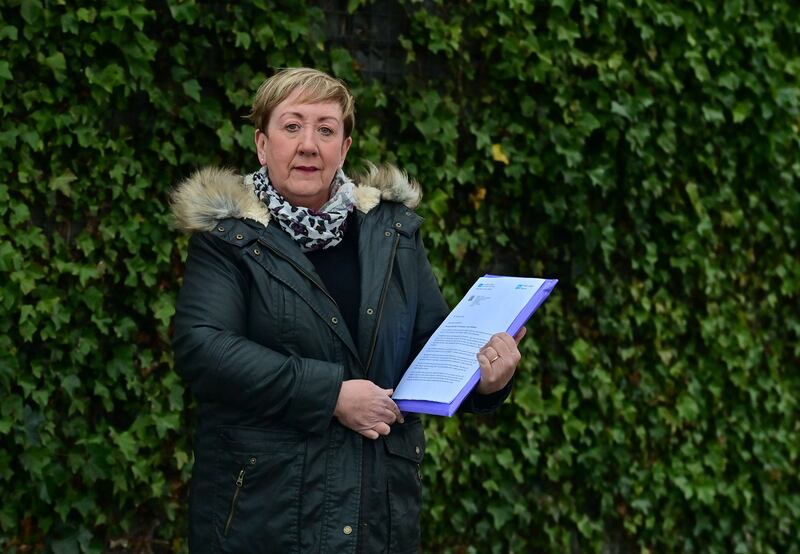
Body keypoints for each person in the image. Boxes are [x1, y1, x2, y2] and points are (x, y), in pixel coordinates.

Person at [171, 67, 525, 553]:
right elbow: (204, 351)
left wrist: (485, 380)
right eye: (292, 126)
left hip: (376, 514)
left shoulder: (392, 233)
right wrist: (330, 393)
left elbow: (431, 350)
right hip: (267, 517)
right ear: (261, 144)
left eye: (325, 129)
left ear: (345, 147)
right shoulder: (228, 239)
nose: (309, 144)